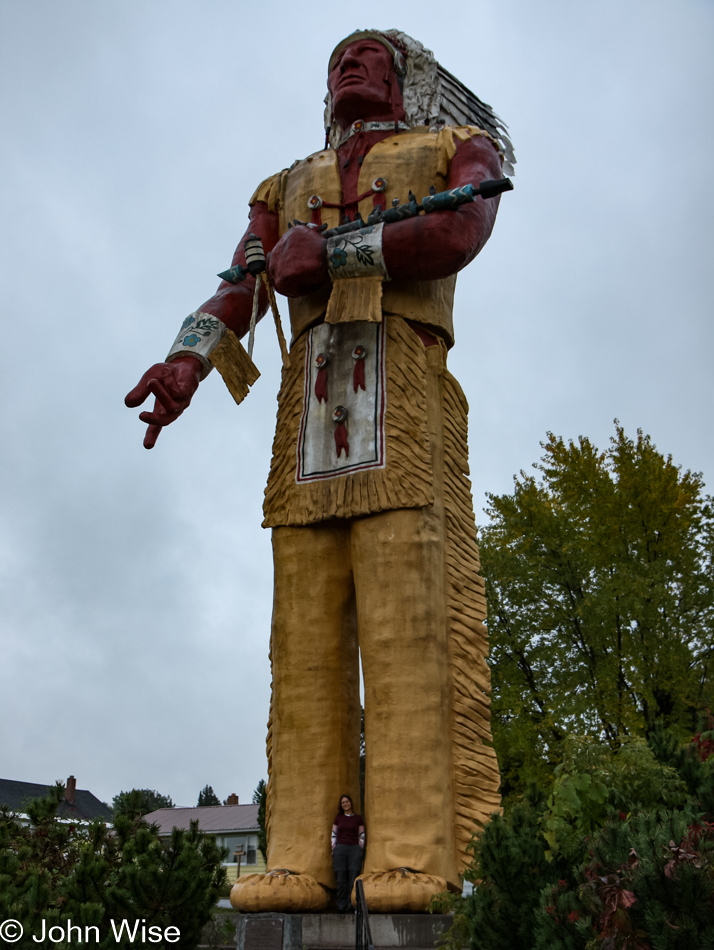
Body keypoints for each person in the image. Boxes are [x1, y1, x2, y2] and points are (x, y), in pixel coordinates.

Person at [126, 29, 514, 914]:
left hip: (403, 393)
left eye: (370, 54)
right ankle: (298, 851)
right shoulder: (283, 185)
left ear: (406, 77)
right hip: (307, 417)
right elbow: (242, 279)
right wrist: (186, 361)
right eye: (338, 57)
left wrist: (336, 255)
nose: (349, 65)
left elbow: (463, 226)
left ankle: (417, 853)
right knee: (301, 648)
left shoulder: (455, 149)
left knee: (408, 629)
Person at [331, 794, 365, 912]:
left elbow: (361, 835)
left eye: (347, 802)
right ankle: (341, 905)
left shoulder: (358, 818)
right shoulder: (338, 818)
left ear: (351, 803)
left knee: (353, 876)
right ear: (341, 805)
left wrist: (359, 848)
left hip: (354, 848)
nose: (345, 804)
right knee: (341, 877)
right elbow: (334, 835)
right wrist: (334, 848)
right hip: (340, 848)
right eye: (343, 803)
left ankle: (352, 905)